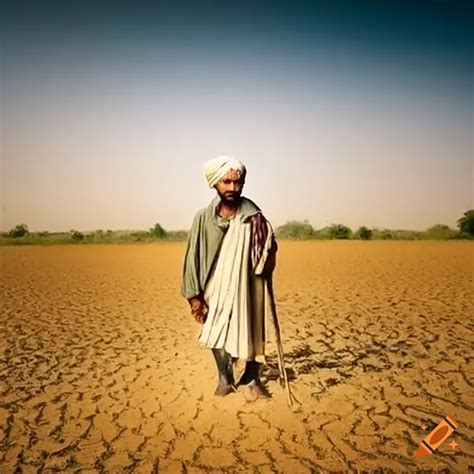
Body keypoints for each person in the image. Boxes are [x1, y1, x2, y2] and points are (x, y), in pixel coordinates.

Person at [180, 155, 278, 400]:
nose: (233, 188)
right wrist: (194, 295)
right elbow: (193, 257)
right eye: (226, 182)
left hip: (248, 287)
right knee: (214, 329)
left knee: (252, 329)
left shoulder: (254, 217)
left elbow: (267, 250)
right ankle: (225, 378)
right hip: (214, 287)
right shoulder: (203, 218)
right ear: (215, 184)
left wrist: (269, 250)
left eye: (238, 183)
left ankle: (252, 378)